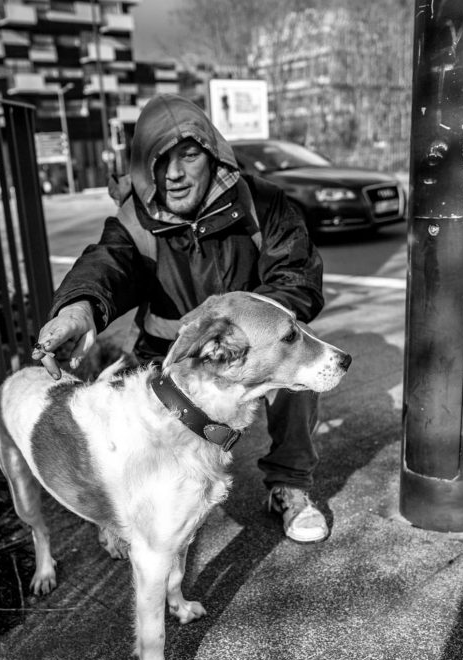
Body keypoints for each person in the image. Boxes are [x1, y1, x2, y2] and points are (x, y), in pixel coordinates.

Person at [33, 93, 329, 543]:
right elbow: (107, 264)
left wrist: (241, 331)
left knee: (295, 372)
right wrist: (78, 306)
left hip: (250, 347)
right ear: (144, 167)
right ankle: (122, 509)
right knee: (123, 418)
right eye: (160, 159)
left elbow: (297, 278)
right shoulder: (134, 220)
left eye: (188, 155)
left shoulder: (263, 203)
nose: (173, 173)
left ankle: (289, 485)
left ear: (212, 155)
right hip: (167, 352)